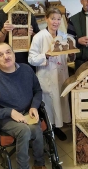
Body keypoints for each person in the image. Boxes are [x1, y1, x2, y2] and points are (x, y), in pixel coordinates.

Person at [0, 42, 47, 169]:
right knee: (24, 130)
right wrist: (9, 112)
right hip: (7, 119)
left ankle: (39, 164)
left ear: (14, 54)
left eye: (8, 52)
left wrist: (34, 106)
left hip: (27, 113)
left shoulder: (26, 70)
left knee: (36, 129)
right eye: (0, 54)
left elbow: (37, 90)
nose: (6, 56)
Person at [28, 8, 71, 141]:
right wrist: (45, 55)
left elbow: (66, 57)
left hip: (61, 74)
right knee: (49, 103)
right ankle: (50, 128)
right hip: (47, 75)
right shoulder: (39, 37)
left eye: (58, 19)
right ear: (46, 19)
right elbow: (31, 59)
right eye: (53, 18)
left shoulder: (63, 36)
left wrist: (71, 55)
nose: (56, 22)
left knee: (61, 101)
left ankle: (58, 126)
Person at [0, 0, 40, 65]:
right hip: (8, 60)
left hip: (28, 56)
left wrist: (31, 33)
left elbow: (38, 38)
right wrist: (4, 30)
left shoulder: (29, 14)